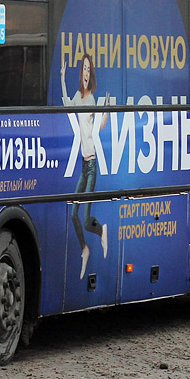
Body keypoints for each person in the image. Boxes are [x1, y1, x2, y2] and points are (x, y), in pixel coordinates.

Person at [61, 55, 110, 279]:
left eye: (89, 69)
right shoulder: (78, 97)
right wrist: (62, 79)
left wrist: (107, 109)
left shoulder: (91, 100)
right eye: (84, 69)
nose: (86, 73)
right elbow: (66, 107)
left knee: (86, 217)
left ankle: (101, 230)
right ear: (81, 73)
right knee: (73, 214)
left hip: (92, 166)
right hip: (83, 165)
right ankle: (84, 249)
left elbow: (99, 126)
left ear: (91, 75)